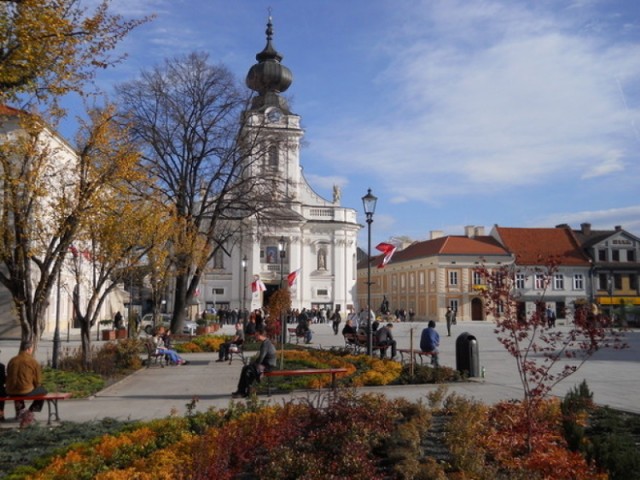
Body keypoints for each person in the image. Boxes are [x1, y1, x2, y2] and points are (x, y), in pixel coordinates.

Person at [6, 341, 48, 427]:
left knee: (17, 390)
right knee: (43, 391)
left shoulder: (12, 360)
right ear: (29, 349)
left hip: (10, 391)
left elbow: (8, 374)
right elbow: (38, 382)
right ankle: (29, 412)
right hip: (25, 391)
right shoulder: (33, 361)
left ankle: (21, 411)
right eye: (32, 348)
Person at [232, 325, 276, 398]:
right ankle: (242, 391)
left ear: (259, 334)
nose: (255, 336)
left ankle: (243, 391)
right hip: (266, 364)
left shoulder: (266, 344)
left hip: (268, 366)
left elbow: (261, 358)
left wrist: (253, 364)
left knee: (247, 369)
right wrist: (253, 363)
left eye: (256, 334)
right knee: (246, 368)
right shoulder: (266, 342)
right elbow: (261, 359)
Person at [0, 350, 6, 422]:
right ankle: (1, 414)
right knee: (2, 391)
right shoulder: (1, 366)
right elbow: (4, 380)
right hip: (0, 390)